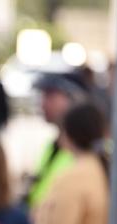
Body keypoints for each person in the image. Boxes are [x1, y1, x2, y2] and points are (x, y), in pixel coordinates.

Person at [25, 72, 88, 208]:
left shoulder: (86, 150)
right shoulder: (53, 146)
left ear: (74, 99)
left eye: (50, 96)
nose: (42, 104)